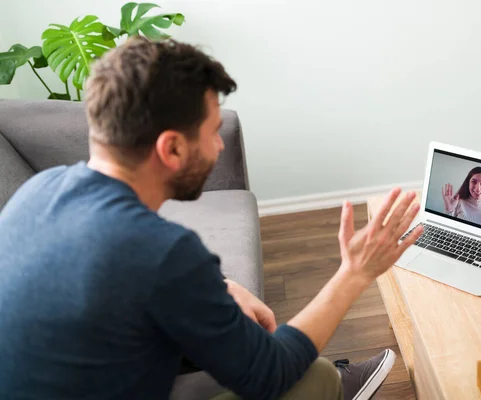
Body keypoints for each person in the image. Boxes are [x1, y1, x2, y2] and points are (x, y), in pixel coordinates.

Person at [0, 37, 423, 400]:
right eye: (212, 131)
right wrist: (355, 272)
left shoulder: (38, 191)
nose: (220, 147)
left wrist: (219, 288)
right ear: (172, 149)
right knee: (314, 375)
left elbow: (106, 284)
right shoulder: (161, 252)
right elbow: (269, 375)